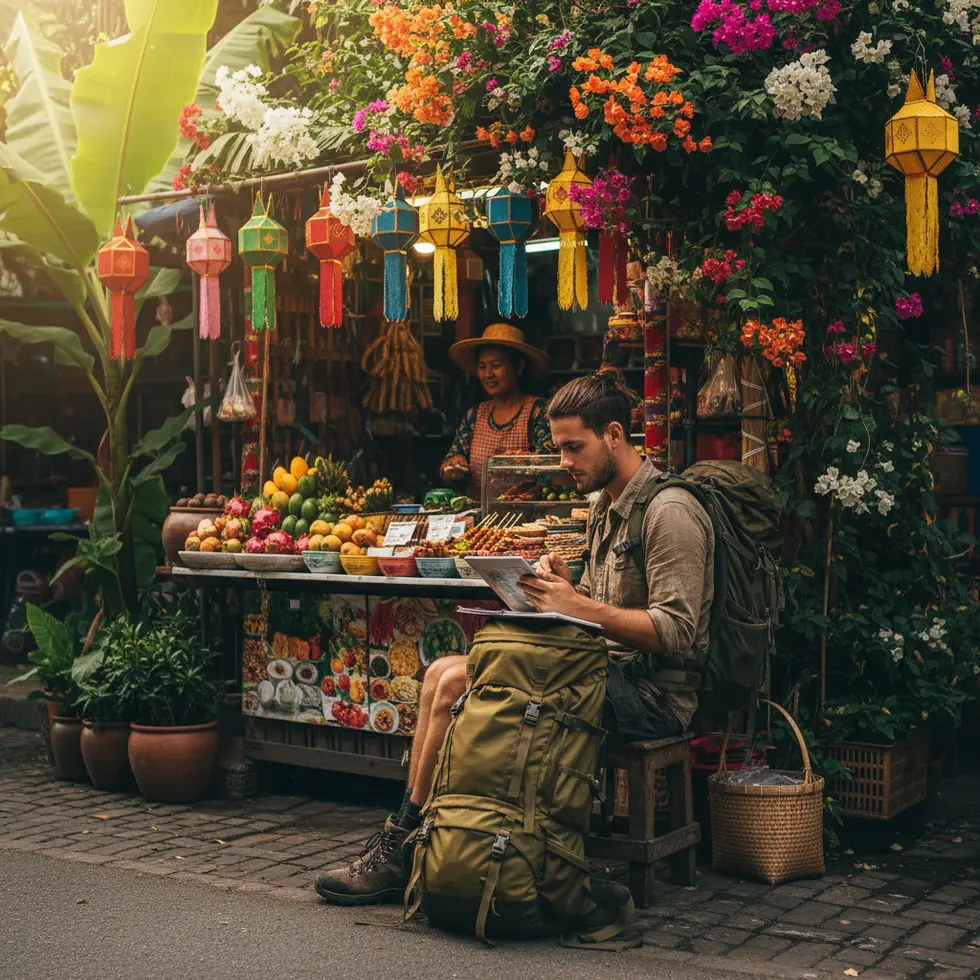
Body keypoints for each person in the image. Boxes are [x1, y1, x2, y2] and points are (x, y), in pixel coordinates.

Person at [314, 368, 712, 907]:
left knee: (457, 683)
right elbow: (601, 607)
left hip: (652, 695)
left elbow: (677, 631)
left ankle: (405, 846)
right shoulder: (605, 508)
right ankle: (412, 835)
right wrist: (563, 589)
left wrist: (576, 605)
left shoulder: (671, 512)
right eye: (559, 448)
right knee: (439, 672)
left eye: (573, 447)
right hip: (602, 673)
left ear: (615, 435)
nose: (563, 462)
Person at [439, 323, 554, 502]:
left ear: (518, 367)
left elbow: (548, 472)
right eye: (482, 366)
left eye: (496, 365)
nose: (488, 374)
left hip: (525, 514)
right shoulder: (475, 415)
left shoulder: (539, 413)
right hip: (477, 513)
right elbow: (453, 459)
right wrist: (455, 468)